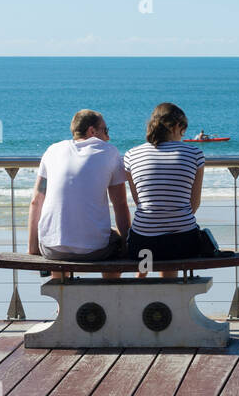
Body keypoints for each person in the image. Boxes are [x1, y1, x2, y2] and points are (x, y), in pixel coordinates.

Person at [27, 110, 131, 276]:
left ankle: (62, 298)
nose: (108, 137)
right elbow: (120, 204)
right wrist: (127, 248)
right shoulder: (110, 152)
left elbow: (36, 201)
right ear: (92, 131)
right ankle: (111, 292)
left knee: (61, 245)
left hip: (51, 249)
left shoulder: (52, 150)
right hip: (94, 250)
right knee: (117, 239)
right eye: (106, 130)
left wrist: (32, 248)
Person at [124, 102, 207, 272]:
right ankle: (170, 295)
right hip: (184, 244)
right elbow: (194, 204)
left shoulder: (131, 155)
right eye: (183, 129)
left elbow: (139, 201)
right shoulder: (195, 154)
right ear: (177, 126)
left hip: (142, 244)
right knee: (176, 243)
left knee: (148, 252)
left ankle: (145, 286)